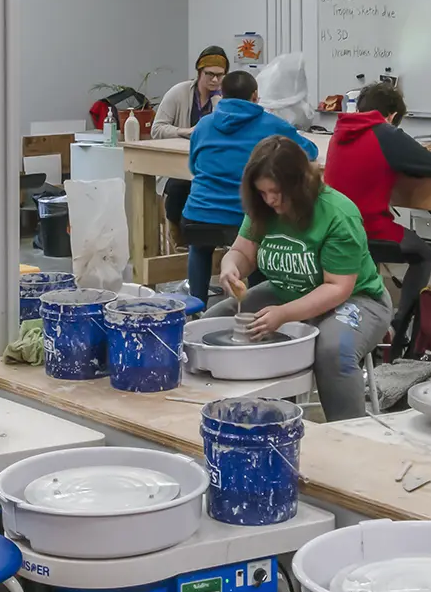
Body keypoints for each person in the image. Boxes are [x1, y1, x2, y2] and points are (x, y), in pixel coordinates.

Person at [214, 134, 392, 420]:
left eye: (276, 191)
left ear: (300, 183)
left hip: (356, 298)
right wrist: (229, 266)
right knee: (215, 321)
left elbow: (337, 288)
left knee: (333, 351)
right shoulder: (264, 208)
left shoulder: (337, 214)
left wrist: (284, 313)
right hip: (290, 289)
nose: (270, 199)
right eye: (262, 192)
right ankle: (241, 419)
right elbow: (242, 253)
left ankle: (349, 437)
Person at [180, 71, 314, 303]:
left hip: (198, 215)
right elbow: (308, 152)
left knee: (200, 247)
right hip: (248, 216)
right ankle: (257, 306)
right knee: (263, 246)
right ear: (255, 96)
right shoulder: (273, 125)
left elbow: (193, 165)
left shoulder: (203, 125)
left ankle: (197, 307)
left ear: (221, 95)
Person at [323, 81, 431, 329]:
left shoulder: (340, 130)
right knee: (423, 254)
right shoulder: (386, 133)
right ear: (392, 116)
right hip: (369, 229)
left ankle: (372, 316)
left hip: (334, 229)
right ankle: (402, 325)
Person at [150, 45, 228, 234]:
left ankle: (210, 239)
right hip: (177, 166)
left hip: (212, 165)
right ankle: (179, 234)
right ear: (199, 72)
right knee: (181, 187)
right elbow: (157, 129)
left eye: (220, 75)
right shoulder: (179, 93)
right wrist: (184, 131)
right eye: (210, 74)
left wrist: (218, 104)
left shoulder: (225, 97)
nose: (215, 80)